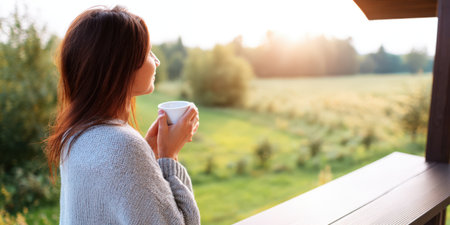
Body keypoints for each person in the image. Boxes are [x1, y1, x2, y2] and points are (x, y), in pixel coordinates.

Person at [44, 6, 201, 225]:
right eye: (148, 52)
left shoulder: (74, 134)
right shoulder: (125, 146)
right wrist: (169, 157)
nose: (156, 61)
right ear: (121, 64)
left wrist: (149, 153)